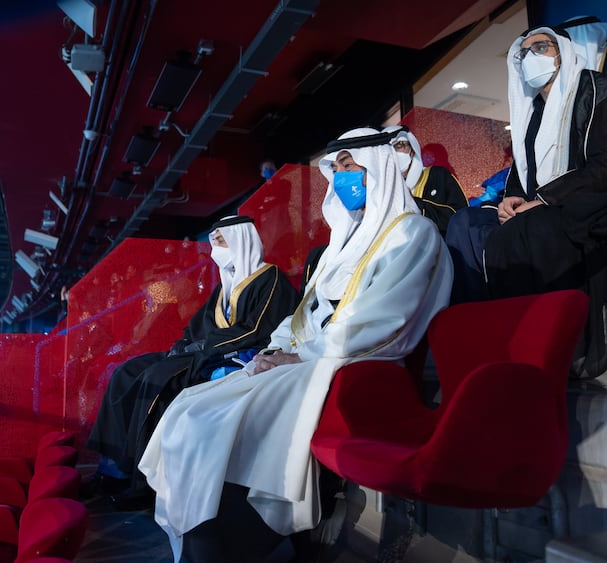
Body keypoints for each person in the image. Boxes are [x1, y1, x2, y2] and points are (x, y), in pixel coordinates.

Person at [139, 127, 453, 562]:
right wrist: (277, 348)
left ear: (379, 168)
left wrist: (301, 354)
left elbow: (384, 320)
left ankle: (238, 532)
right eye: (336, 168)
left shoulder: (412, 234)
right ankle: (204, 531)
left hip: (358, 364)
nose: (341, 176)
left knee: (214, 421)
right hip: (311, 357)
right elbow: (302, 314)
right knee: (192, 407)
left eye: (349, 165)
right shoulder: (338, 250)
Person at [445, 24, 607, 378]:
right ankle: (480, 337)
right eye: (524, 52)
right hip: (539, 212)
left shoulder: (598, 90)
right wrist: (511, 199)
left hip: (585, 208)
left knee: (530, 228)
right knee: (465, 223)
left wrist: (546, 200)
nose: (531, 57)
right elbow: (523, 172)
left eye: (540, 47)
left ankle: (536, 344)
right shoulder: (534, 114)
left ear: (563, 52)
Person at [85, 215, 299, 507]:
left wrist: (204, 346)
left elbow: (256, 330)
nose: (216, 249)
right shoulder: (225, 286)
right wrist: (186, 344)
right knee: (127, 371)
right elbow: (201, 325)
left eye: (221, 241)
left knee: (157, 380)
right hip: (201, 352)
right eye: (213, 242)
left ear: (241, 239)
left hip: (232, 356)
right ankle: (110, 469)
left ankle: (142, 483)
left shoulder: (270, 279)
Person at [383, 125, 468, 236]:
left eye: (399, 146)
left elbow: (462, 217)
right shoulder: (384, 190)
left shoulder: (437, 175)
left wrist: (413, 203)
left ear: (412, 150)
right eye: (389, 149)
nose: (395, 153)